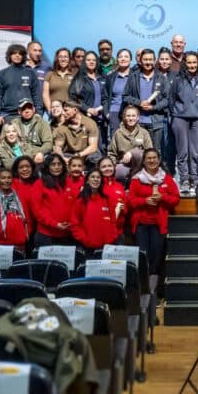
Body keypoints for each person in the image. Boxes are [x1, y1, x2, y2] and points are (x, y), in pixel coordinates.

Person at [128, 149, 180, 282]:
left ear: (159, 160)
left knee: (157, 258)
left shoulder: (167, 178)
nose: (152, 161)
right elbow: (130, 201)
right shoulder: (136, 179)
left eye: (154, 158)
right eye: (149, 158)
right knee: (143, 257)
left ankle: (154, 289)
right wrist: (144, 201)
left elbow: (176, 199)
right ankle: (143, 288)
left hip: (158, 224)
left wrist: (163, 197)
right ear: (144, 161)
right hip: (141, 225)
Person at [170, 52, 198, 196]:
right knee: (183, 151)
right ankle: (184, 180)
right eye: (189, 63)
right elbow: (171, 99)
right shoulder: (178, 80)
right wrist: (177, 112)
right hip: (180, 118)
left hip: (197, 118)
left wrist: (197, 110)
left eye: (194, 62)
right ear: (185, 64)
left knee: (196, 151)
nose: (192, 65)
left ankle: (195, 179)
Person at [123, 48, 170, 152]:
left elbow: (167, 99)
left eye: (150, 59)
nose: (148, 62)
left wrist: (154, 107)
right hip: (137, 122)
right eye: (145, 60)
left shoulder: (161, 78)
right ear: (140, 60)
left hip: (156, 123)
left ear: (155, 60)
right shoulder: (133, 77)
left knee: (155, 152)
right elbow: (125, 96)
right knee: (136, 152)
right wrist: (139, 103)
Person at [70, 169, 125, 251]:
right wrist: (86, 240)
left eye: (98, 177)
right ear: (87, 181)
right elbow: (75, 225)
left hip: (108, 246)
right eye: (92, 177)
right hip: (88, 247)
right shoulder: (80, 201)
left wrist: (112, 237)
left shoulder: (107, 200)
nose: (96, 179)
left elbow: (113, 221)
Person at [32, 153, 73, 247]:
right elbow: (37, 210)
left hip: (67, 233)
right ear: (47, 167)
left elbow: (76, 206)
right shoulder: (39, 184)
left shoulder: (69, 182)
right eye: (53, 164)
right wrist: (54, 224)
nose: (57, 167)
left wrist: (71, 222)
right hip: (46, 235)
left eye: (59, 164)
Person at [0, 168, 29, 250]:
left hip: (19, 244)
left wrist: (24, 235)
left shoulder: (20, 198)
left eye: (9, 178)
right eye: (3, 178)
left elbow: (27, 219)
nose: (6, 181)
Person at [0, 44, 39, 126]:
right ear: (9, 56)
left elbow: (36, 94)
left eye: (20, 54)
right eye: (14, 53)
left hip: (27, 113)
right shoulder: (2, 74)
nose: (17, 55)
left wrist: (38, 112)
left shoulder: (30, 73)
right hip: (8, 115)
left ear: (23, 56)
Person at [108, 105, 153, 183]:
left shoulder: (144, 133)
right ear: (124, 117)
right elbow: (111, 153)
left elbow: (150, 152)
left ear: (138, 117)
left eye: (133, 116)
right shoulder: (118, 133)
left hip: (141, 166)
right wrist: (117, 163)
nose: (131, 118)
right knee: (119, 172)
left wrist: (132, 153)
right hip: (124, 165)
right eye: (128, 116)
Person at [69, 51, 107, 142]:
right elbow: (72, 98)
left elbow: (107, 97)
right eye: (88, 60)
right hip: (86, 117)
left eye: (94, 60)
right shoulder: (79, 78)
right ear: (84, 62)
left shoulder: (103, 77)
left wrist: (104, 109)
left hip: (102, 118)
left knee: (103, 146)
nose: (91, 62)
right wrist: (87, 109)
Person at [10, 98, 53, 165]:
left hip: (37, 153)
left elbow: (48, 144)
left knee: (41, 157)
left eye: (29, 108)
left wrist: (38, 153)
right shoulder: (14, 123)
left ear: (34, 109)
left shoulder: (42, 123)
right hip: (19, 153)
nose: (27, 111)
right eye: (24, 109)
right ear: (19, 111)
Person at [104, 48, 132, 135]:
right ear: (117, 60)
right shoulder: (110, 77)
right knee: (116, 138)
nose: (123, 59)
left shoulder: (136, 75)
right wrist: (107, 113)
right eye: (120, 57)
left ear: (131, 60)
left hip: (131, 113)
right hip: (114, 112)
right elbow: (105, 97)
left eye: (126, 57)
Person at [43, 48, 75, 113]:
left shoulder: (74, 75)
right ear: (57, 59)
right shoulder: (50, 74)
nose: (63, 59)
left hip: (69, 112)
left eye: (65, 57)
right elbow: (45, 94)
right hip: (54, 112)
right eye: (60, 57)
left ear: (69, 59)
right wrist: (49, 110)